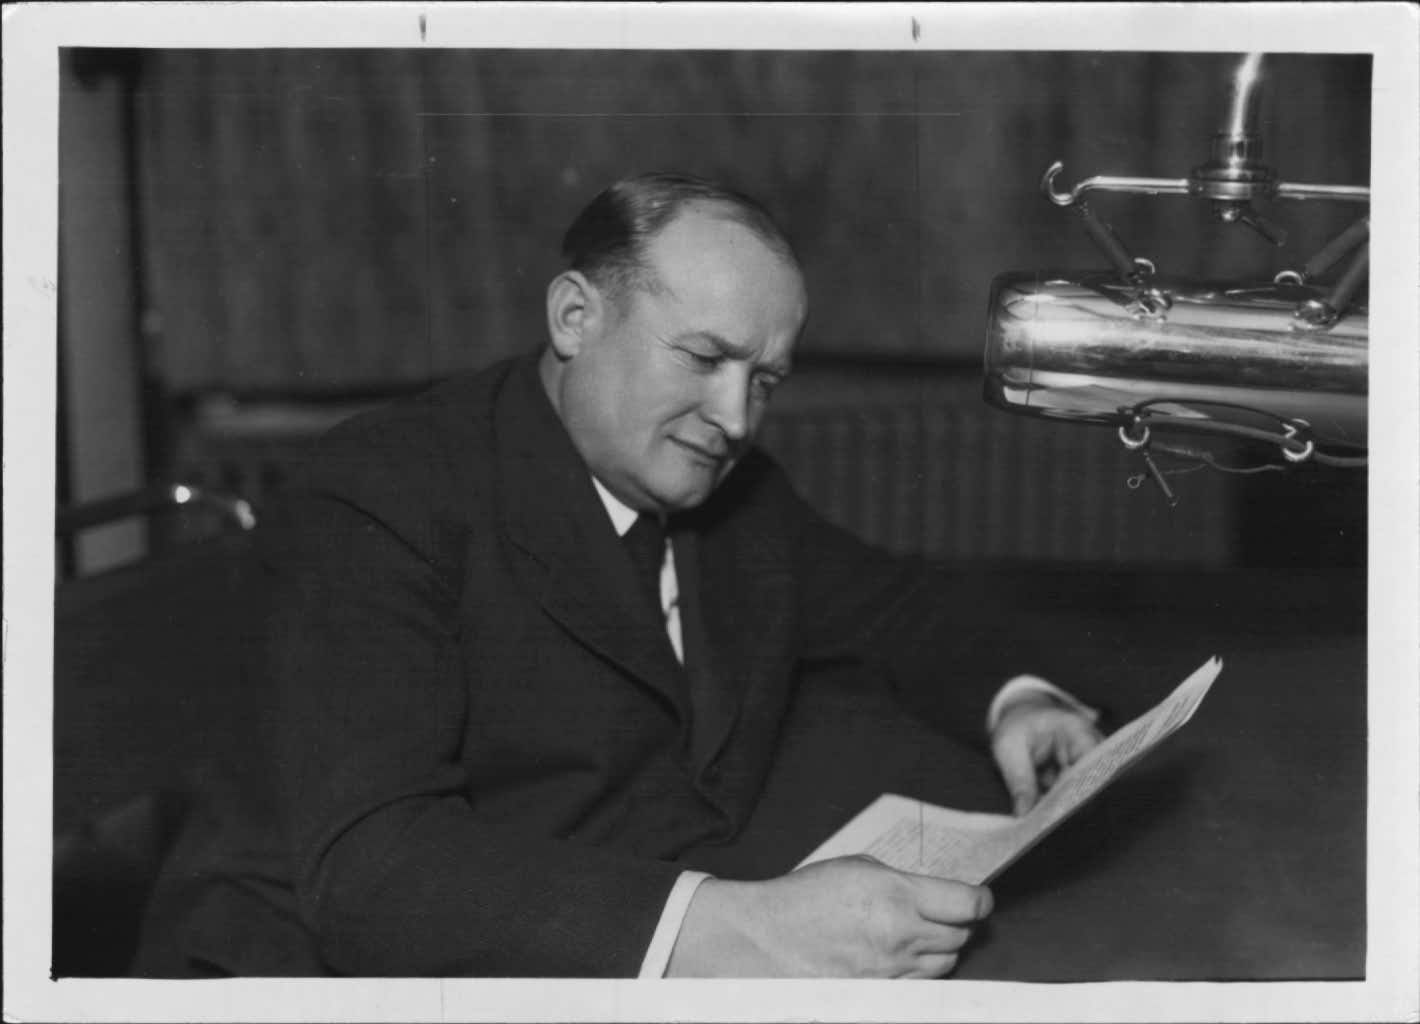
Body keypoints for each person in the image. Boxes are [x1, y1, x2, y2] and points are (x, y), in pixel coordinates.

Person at [139, 172, 1103, 979]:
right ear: (575, 317)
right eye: (705, 358)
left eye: (764, 381)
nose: (737, 418)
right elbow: (378, 873)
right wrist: (743, 929)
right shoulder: (380, 494)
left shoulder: (731, 493)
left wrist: (1017, 700)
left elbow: (898, 607)